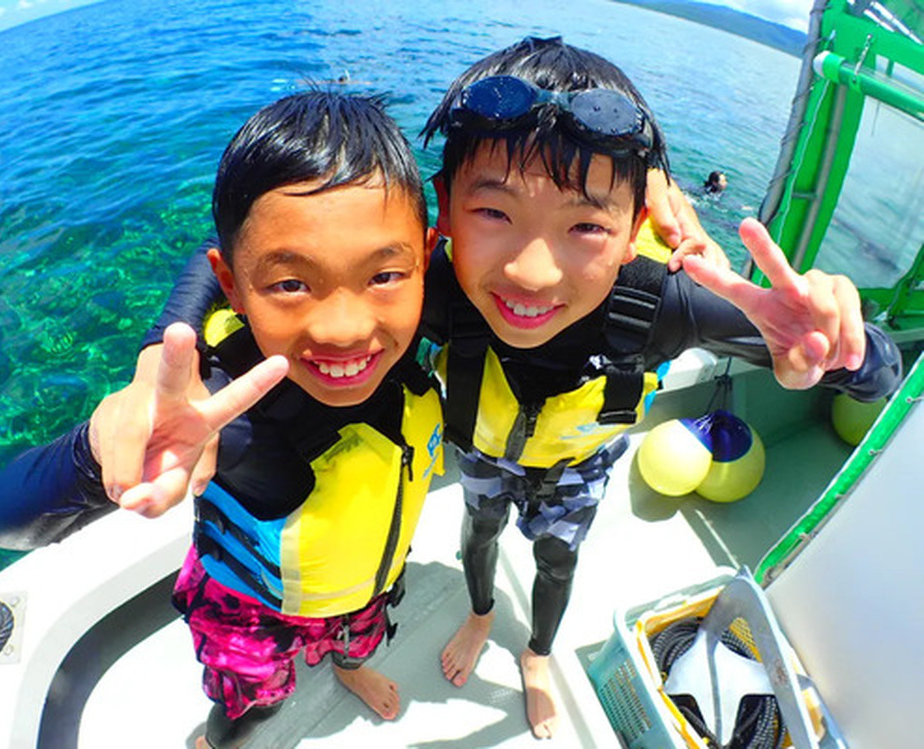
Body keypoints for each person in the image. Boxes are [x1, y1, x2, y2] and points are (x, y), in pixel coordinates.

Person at [75, 37, 901, 741]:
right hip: (479, 450)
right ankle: (478, 615)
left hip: (578, 464)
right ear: (443, 211)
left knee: (556, 557)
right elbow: (243, 255)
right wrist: (156, 360)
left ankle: (535, 653)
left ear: (630, 231)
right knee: (478, 533)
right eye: (495, 214)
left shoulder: (664, 305)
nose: (532, 272)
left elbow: (885, 378)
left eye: (586, 225)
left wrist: (844, 346)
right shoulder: (428, 287)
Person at [0, 91, 444, 749]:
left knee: (359, 636)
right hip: (253, 610)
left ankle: (347, 663)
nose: (344, 329)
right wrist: (99, 446)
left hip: (367, 582)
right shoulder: (225, 412)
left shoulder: (430, 317)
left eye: (385, 275)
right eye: (290, 284)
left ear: (425, 257)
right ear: (233, 287)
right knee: (250, 708)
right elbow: (4, 521)